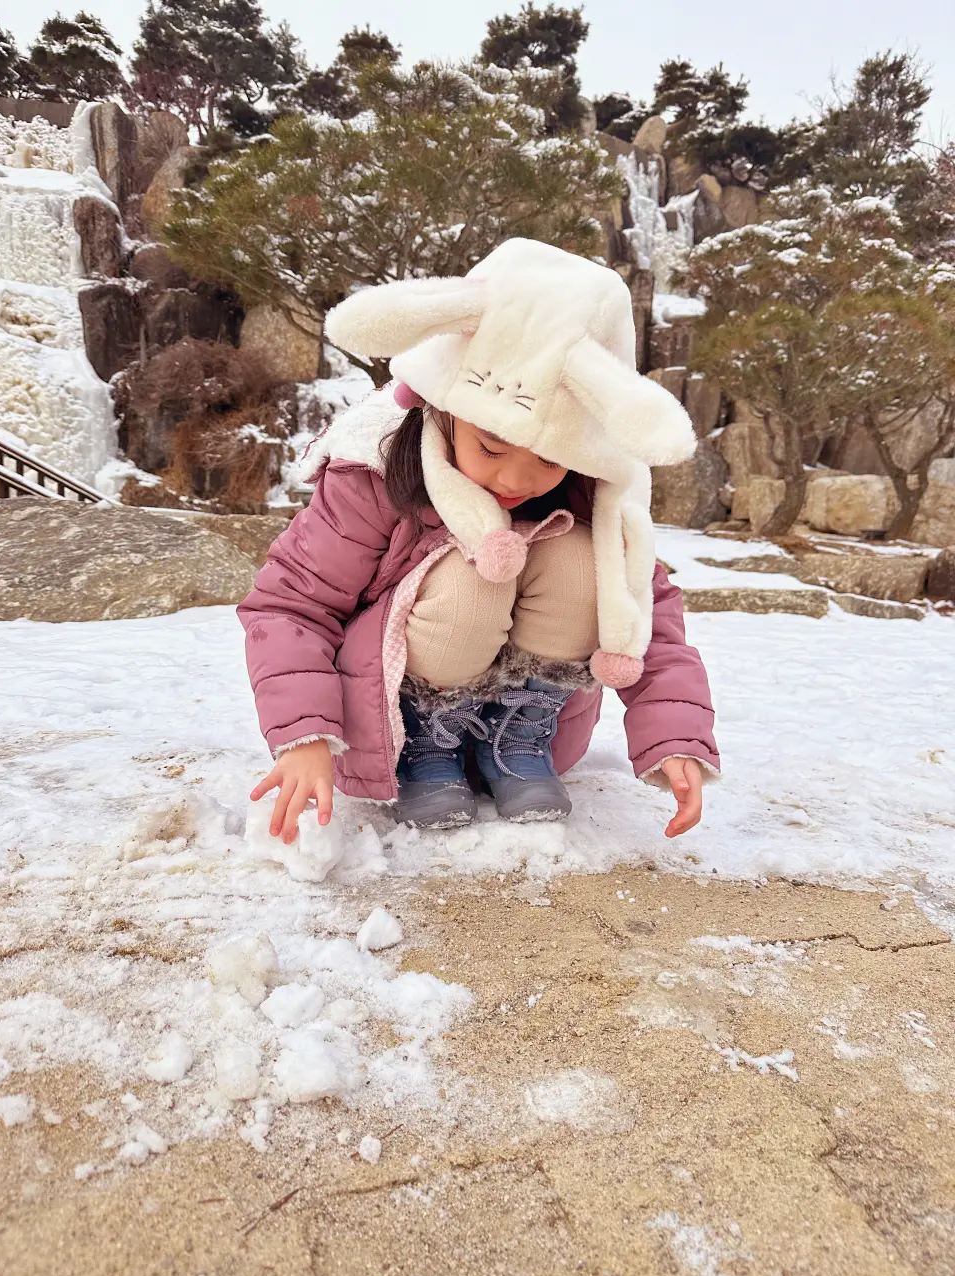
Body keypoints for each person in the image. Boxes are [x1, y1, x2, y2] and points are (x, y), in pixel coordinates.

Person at [239, 239, 719, 845]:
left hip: (538, 727)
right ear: (441, 407)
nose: (516, 480)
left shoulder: (597, 492)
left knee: (583, 563)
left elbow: (650, 616)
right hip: (391, 716)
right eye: (491, 447)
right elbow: (291, 605)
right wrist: (306, 734)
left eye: (549, 459)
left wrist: (675, 738)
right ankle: (429, 742)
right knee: (472, 572)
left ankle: (518, 735)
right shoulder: (375, 474)